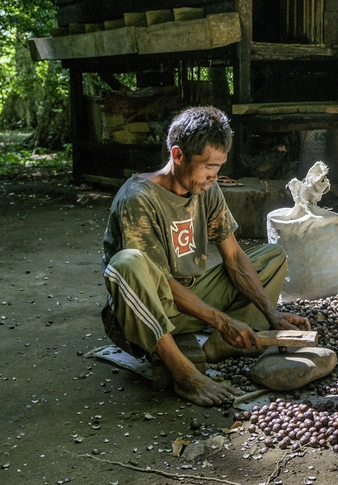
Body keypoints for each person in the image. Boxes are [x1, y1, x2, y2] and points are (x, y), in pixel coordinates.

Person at [101, 106, 310, 407]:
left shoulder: (206, 189)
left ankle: (215, 348)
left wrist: (272, 314)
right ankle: (185, 373)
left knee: (272, 257)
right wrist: (222, 321)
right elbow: (159, 281)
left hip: (188, 302)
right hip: (148, 306)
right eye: (208, 167)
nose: (214, 177)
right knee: (126, 263)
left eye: (218, 168)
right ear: (178, 155)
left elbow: (234, 257)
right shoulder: (138, 199)